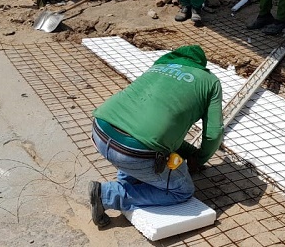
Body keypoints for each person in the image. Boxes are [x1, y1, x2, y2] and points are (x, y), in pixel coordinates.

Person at [88, 45, 223, 228]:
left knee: (141, 135)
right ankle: (107, 195)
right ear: (200, 65)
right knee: (183, 190)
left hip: (99, 131)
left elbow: (152, 126)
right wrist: (199, 159)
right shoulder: (210, 82)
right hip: (132, 153)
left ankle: (129, 178)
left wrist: (189, 152)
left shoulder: (159, 66)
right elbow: (214, 134)